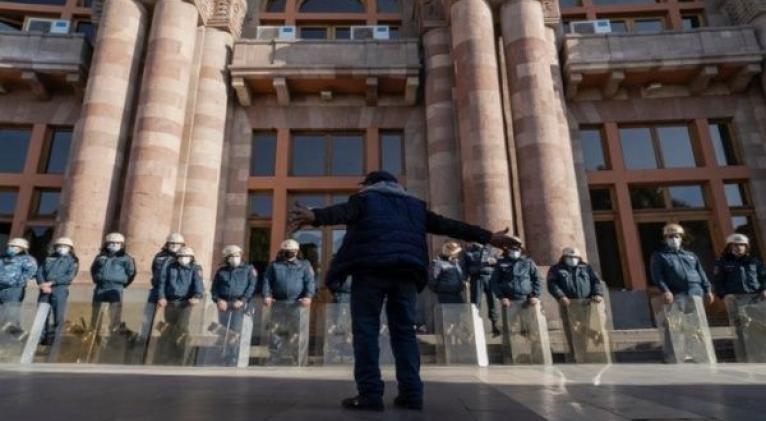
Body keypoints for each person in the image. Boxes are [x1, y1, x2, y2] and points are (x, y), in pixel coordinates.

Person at [288, 170, 517, 411]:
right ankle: (411, 393)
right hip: (406, 273)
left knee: (366, 332)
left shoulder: (365, 199)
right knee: (404, 333)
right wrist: (489, 237)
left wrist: (314, 216)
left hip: (370, 271)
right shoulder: (414, 206)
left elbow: (341, 212)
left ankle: (370, 394)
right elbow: (449, 225)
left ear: (369, 185)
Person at [650, 223, 714, 305]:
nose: (674, 239)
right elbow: (657, 277)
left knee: (698, 317)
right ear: (665, 239)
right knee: (683, 317)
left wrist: (708, 290)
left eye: (677, 236)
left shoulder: (691, 255)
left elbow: (701, 273)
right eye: (670, 236)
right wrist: (666, 291)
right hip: (677, 293)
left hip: (697, 291)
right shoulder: (660, 255)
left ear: (681, 238)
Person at [36, 237, 78, 344]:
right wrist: (42, 284)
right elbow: (40, 271)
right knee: (41, 315)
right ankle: (41, 338)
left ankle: (57, 340)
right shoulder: (49, 258)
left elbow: (69, 276)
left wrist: (52, 283)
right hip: (44, 289)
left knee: (58, 315)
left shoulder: (73, 261)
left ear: (70, 248)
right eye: (60, 246)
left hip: (60, 289)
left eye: (65, 246)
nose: (62, 248)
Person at [90, 232, 136, 330]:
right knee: (96, 315)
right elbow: (93, 269)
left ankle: (113, 338)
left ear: (122, 245)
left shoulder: (126, 258)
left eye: (117, 243)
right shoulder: (100, 256)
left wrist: (122, 284)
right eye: (111, 243)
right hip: (100, 287)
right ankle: (94, 337)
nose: (114, 245)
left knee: (115, 316)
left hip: (116, 288)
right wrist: (98, 280)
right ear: (106, 244)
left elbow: (131, 273)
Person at [211, 244, 257, 333]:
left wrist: (242, 301)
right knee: (224, 331)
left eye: (237, 255)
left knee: (236, 331)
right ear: (227, 258)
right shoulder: (221, 271)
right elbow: (214, 288)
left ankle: (234, 347)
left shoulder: (248, 269)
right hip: (224, 304)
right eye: (232, 256)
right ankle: (224, 347)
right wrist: (218, 300)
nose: (235, 258)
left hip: (239, 304)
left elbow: (251, 286)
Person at [490, 236, 543, 308]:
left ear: (520, 249)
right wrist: (501, 297)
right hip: (508, 301)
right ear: (508, 249)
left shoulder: (528, 262)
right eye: (512, 248)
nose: (514, 251)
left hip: (528, 300)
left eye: (517, 249)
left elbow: (538, 279)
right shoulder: (501, 263)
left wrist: (535, 296)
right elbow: (494, 281)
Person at [262, 239, 315, 308]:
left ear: (297, 252)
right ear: (282, 252)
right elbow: (267, 281)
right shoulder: (274, 265)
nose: (289, 253)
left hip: (298, 303)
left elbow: (310, 282)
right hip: (278, 303)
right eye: (287, 251)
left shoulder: (304, 265)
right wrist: (267, 295)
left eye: (292, 251)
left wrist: (308, 296)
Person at [0, 238, 38, 335]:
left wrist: (18, 282)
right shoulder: (3, 258)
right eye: (10, 246)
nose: (10, 248)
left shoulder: (27, 259)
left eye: (13, 246)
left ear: (21, 248)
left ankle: (15, 336)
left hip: (13, 290)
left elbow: (31, 272)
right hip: (1, 288)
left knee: (11, 314)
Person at [713, 233, 766, 300]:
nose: (739, 247)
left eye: (742, 245)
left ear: (746, 247)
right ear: (730, 247)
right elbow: (718, 282)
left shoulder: (754, 261)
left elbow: (764, 277)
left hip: (757, 296)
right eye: (735, 245)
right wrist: (724, 295)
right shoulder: (722, 262)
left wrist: (764, 289)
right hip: (735, 299)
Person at [464, 242, 501, 336]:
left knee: (493, 301)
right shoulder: (469, 252)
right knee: (475, 302)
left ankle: (495, 325)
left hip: (490, 278)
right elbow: (466, 268)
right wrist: (464, 279)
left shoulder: (493, 249)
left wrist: (495, 261)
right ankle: (474, 325)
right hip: (476, 278)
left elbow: (500, 263)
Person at [148, 233, 185, 304]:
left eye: (178, 244)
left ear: (182, 245)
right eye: (172, 243)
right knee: (149, 313)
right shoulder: (159, 256)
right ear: (167, 244)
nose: (174, 246)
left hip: (174, 292)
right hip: (157, 289)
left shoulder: (185, 257)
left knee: (170, 314)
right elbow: (154, 269)